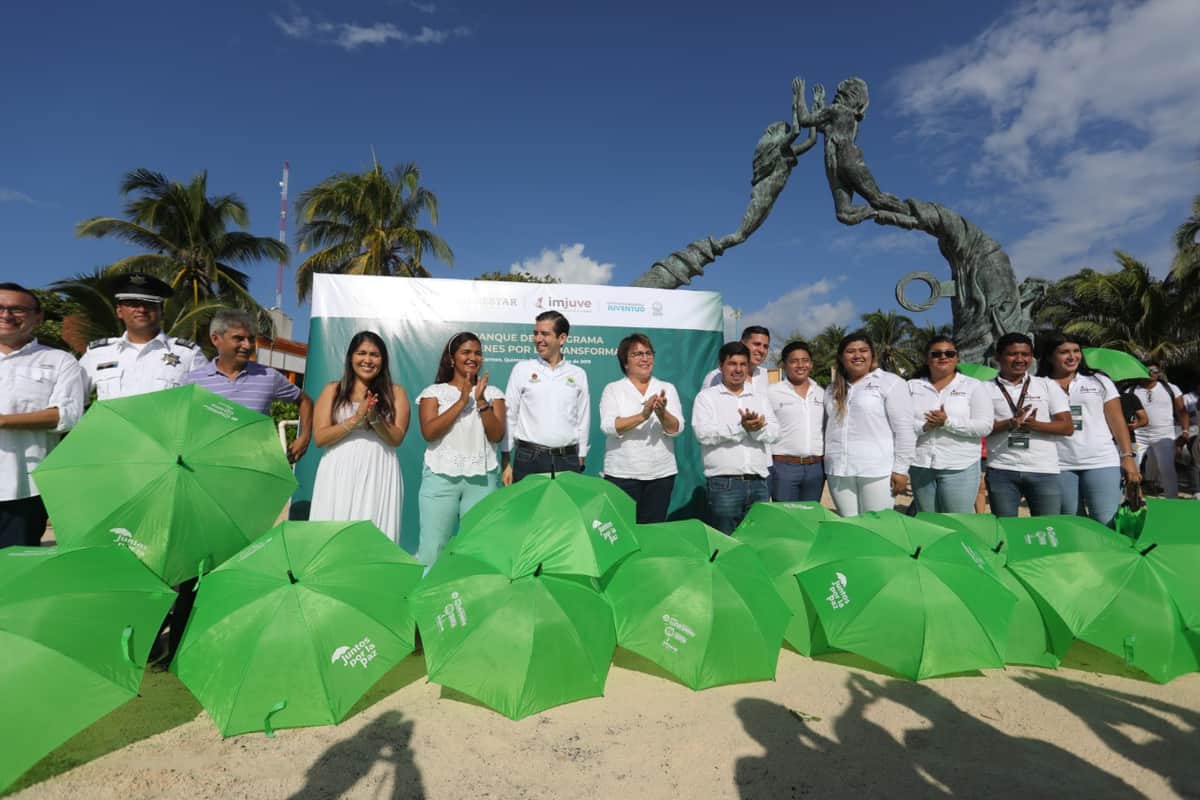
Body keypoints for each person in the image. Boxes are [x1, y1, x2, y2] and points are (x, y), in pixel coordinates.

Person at [0, 283, 85, 548]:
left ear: (38, 317)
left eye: (17, 309)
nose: (6, 315)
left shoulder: (59, 361)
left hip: (23, 487)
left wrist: (3, 421)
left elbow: (66, 416)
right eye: (0, 308)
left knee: (15, 569)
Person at [309, 331, 411, 545]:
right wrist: (355, 419)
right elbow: (320, 437)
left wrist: (374, 418)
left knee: (373, 538)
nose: (367, 360)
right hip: (338, 471)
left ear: (383, 360)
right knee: (333, 535)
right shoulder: (332, 390)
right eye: (361, 353)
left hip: (379, 469)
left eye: (374, 355)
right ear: (350, 357)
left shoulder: (396, 392)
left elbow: (396, 438)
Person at [416, 332, 505, 568]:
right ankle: (428, 590)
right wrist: (462, 401)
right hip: (440, 477)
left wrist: (481, 401)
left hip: (483, 480)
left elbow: (497, 435)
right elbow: (429, 432)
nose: (472, 357)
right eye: (466, 352)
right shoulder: (433, 392)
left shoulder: (493, 393)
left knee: (479, 549)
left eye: (477, 353)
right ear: (451, 358)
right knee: (433, 549)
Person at [182, 308, 312, 462]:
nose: (247, 345)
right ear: (216, 339)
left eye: (250, 339)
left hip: (256, 466)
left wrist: (304, 437)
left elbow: (305, 401)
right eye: (238, 338)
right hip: (207, 465)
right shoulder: (193, 381)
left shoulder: (268, 376)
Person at [1038, 334, 1140, 524]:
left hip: (1101, 460)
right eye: (1064, 352)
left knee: (1105, 520)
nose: (1072, 357)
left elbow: (1117, 421)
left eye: (1076, 351)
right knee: (1072, 523)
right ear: (1050, 356)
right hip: (1057, 463)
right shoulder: (1038, 384)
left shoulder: (1098, 380)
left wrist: (1127, 457)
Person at [823, 332, 915, 516]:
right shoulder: (831, 389)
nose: (857, 355)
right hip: (838, 470)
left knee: (876, 526)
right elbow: (828, 428)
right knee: (849, 525)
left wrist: (901, 469)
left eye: (863, 350)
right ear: (841, 357)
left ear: (872, 355)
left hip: (877, 471)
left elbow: (905, 430)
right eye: (850, 351)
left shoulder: (891, 382)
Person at [692, 341, 778, 533]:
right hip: (724, 484)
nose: (738, 369)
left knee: (757, 539)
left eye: (743, 364)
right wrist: (741, 428)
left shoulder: (759, 398)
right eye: (732, 364)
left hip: (759, 482)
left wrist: (756, 429)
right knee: (726, 540)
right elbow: (703, 434)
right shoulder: (706, 398)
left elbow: (775, 433)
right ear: (721, 365)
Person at [983, 332, 1073, 517]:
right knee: (1006, 528)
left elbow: (1067, 427)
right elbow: (980, 429)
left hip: (1043, 469)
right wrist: (1010, 423)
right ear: (998, 357)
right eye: (1012, 354)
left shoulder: (1047, 385)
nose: (1020, 359)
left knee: (1047, 528)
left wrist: (1035, 425)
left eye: (1025, 354)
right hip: (1002, 469)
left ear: (1032, 357)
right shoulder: (984, 388)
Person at [77, 272, 204, 401]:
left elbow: (207, 402)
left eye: (150, 304)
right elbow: (72, 398)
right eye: (133, 304)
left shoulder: (188, 354)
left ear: (161, 311)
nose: (142, 309)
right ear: (119, 311)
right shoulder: (98, 354)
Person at [598, 333, 683, 523]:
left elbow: (677, 428)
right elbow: (608, 426)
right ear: (625, 362)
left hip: (660, 474)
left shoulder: (667, 388)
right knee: (622, 529)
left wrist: (662, 413)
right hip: (621, 474)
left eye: (648, 353)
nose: (645, 358)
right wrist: (643, 416)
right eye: (637, 354)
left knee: (653, 531)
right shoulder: (613, 389)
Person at [906, 335, 993, 514]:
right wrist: (925, 426)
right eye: (936, 354)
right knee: (928, 521)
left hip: (959, 464)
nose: (943, 357)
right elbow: (901, 425)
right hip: (921, 464)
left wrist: (947, 422)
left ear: (957, 358)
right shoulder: (911, 386)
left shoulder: (973, 386)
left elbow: (984, 426)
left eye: (949, 353)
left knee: (957, 521)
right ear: (927, 358)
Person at [501, 311, 590, 485]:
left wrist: (581, 457)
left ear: (562, 338)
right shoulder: (522, 369)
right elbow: (510, 415)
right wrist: (506, 460)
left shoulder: (578, 374)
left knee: (564, 505)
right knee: (527, 504)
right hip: (528, 459)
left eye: (545, 334)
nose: (538, 339)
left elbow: (583, 418)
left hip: (567, 460)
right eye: (536, 333)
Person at [767, 340, 825, 502]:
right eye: (794, 361)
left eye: (805, 360)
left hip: (816, 468)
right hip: (783, 467)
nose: (800, 365)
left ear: (811, 364)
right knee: (784, 515)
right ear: (784, 365)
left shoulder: (821, 393)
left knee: (810, 514)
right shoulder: (772, 392)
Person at [1131, 363, 1189, 499]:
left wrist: (1185, 432)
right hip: (1138, 436)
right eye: (1148, 370)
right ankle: (1133, 500)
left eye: (1155, 370)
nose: (1152, 372)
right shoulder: (1131, 390)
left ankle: (1172, 501)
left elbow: (1181, 411)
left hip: (1163, 436)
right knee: (1132, 469)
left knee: (1167, 469)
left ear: (1160, 372)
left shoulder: (1171, 388)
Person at [702, 325, 771, 395]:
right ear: (742, 344)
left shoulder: (763, 374)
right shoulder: (716, 377)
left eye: (765, 346)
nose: (761, 350)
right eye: (757, 344)